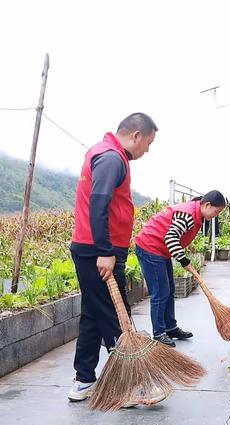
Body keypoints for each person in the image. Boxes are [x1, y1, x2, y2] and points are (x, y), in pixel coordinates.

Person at [68, 113, 158, 402]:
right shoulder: (111, 158)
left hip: (92, 249)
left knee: (93, 314)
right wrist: (105, 252)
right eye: (148, 143)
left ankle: (83, 380)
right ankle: (132, 385)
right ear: (135, 135)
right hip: (99, 252)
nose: (147, 150)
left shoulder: (104, 153)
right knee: (116, 318)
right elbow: (99, 202)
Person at [135, 191, 226, 346]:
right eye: (216, 212)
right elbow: (171, 238)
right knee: (160, 292)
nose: (215, 215)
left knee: (169, 290)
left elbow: (175, 236)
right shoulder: (189, 215)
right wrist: (184, 261)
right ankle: (159, 333)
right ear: (207, 205)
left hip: (160, 249)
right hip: (150, 247)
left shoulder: (196, 211)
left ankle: (170, 327)